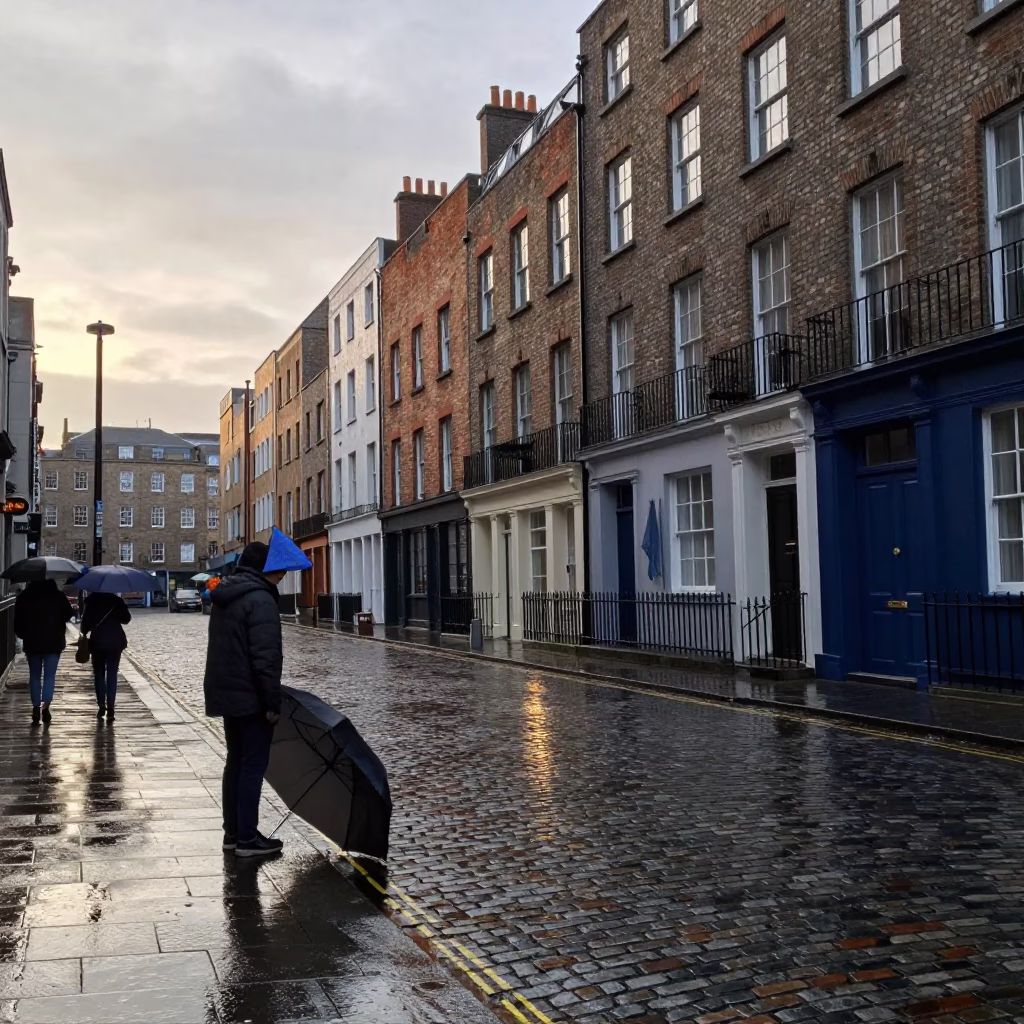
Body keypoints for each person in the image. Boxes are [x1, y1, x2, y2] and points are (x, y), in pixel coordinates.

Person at [204, 541, 285, 858]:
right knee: (252, 766)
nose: (281, 575)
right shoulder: (260, 600)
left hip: (227, 692)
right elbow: (265, 658)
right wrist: (271, 702)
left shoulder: (226, 594)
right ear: (264, 569)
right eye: (276, 569)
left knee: (235, 763)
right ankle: (248, 840)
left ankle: (233, 834)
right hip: (250, 696)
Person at [13, 580, 74, 726]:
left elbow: (18, 624)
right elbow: (68, 615)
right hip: (53, 642)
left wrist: (24, 635)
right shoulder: (58, 595)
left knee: (34, 676)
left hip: (32, 642)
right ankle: (45, 707)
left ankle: (35, 707)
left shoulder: (24, 597)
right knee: (49, 676)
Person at [80, 591, 132, 721]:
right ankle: (111, 707)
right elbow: (126, 619)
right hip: (115, 641)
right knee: (112, 674)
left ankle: (101, 706)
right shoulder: (116, 601)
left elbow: (84, 627)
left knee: (99, 674)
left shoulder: (91, 601)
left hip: (98, 641)